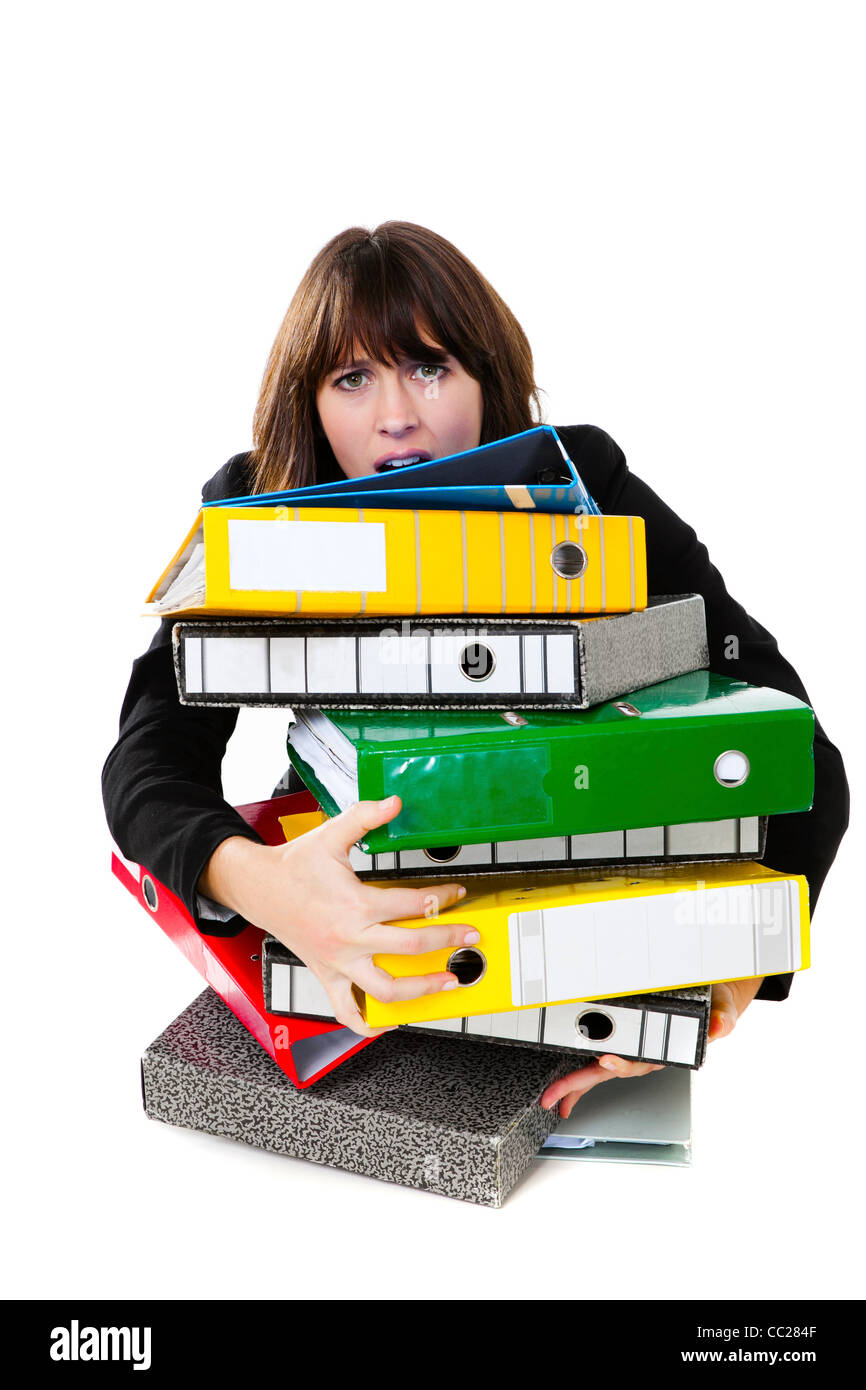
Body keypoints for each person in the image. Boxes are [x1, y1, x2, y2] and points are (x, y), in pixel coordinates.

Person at [102, 221, 850, 1120]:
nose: (395, 415)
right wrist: (269, 889)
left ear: (489, 379)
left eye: (429, 366)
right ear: (310, 405)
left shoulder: (593, 496)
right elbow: (146, 764)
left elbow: (797, 750)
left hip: (577, 903)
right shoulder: (255, 513)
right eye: (352, 378)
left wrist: (725, 974)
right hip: (347, 921)